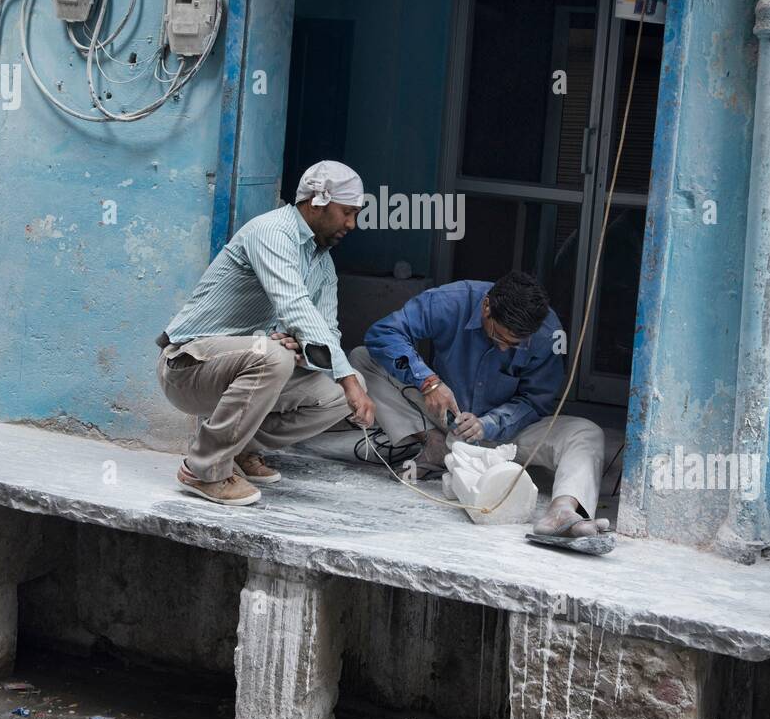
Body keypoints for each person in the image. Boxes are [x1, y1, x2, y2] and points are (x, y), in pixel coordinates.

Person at [156, 161, 375, 507]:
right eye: (346, 212)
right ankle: (204, 468)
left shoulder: (322, 262)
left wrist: (310, 352)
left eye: (355, 214)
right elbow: (295, 305)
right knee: (276, 356)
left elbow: (326, 329)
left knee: (343, 390)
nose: (351, 224)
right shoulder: (272, 232)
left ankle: (240, 449)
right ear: (318, 201)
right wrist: (328, 363)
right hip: (187, 365)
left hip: (244, 364)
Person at [351, 272, 608, 542]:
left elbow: (536, 400)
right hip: (448, 416)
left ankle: (563, 511)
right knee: (363, 359)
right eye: (500, 336)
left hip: (509, 433)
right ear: (486, 307)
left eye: (515, 345)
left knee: (586, 433)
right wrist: (429, 383)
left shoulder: (548, 330)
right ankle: (434, 444)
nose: (504, 349)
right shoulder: (451, 301)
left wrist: (490, 424)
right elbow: (383, 333)